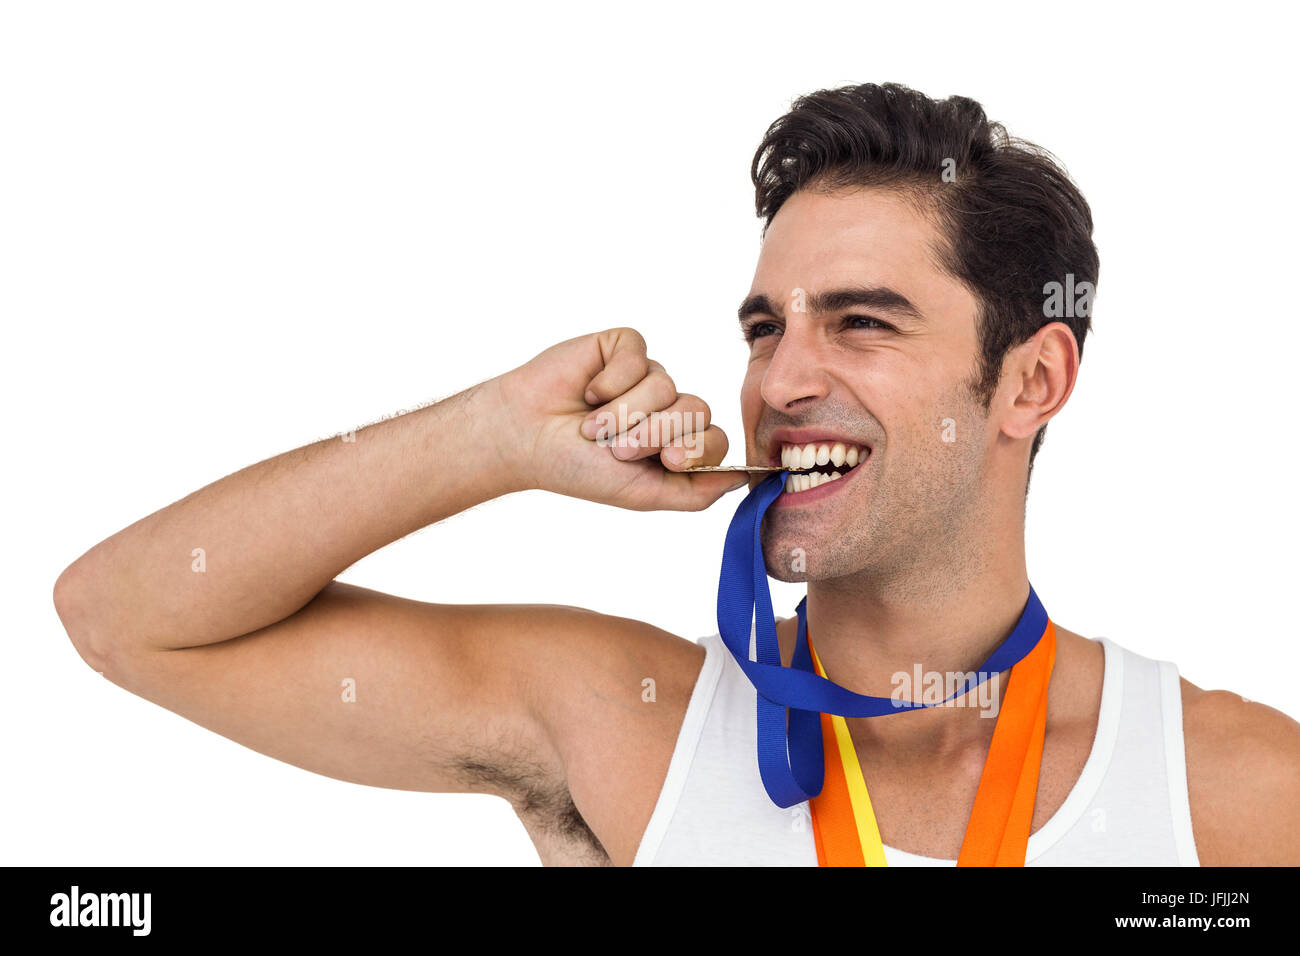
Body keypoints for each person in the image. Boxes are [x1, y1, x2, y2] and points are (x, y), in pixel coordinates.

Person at [53, 82, 1300, 866]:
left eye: (860, 322)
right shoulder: (619, 725)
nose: (780, 379)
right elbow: (126, 618)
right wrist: (495, 435)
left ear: (1030, 381)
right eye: (766, 327)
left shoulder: (1237, 792)